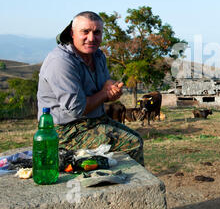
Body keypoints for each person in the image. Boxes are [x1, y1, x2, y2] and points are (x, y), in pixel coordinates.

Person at [37, 11, 144, 165]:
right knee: (131, 143)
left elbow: (104, 86)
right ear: (72, 33)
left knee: (137, 138)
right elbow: (77, 108)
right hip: (64, 131)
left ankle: (120, 179)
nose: (91, 38)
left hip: (94, 120)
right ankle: (129, 184)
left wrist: (112, 88)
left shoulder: (98, 56)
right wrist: (105, 93)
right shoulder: (60, 62)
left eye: (97, 32)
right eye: (85, 32)